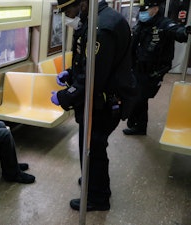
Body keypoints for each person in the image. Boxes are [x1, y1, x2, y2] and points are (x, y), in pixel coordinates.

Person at [52, 0, 133, 211]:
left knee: (93, 148)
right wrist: (70, 73)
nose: (68, 15)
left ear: (83, 4)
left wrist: (64, 97)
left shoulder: (101, 29)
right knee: (90, 146)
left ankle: (98, 198)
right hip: (100, 99)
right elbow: (88, 62)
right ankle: (92, 181)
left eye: (69, 10)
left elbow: (93, 78)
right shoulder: (95, 21)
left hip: (104, 103)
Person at [122, 0, 191, 135]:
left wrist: (186, 31)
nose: (143, 13)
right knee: (137, 95)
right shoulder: (142, 24)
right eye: (142, 10)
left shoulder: (164, 24)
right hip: (138, 67)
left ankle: (136, 124)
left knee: (141, 97)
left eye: (146, 10)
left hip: (153, 70)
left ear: (156, 9)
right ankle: (138, 124)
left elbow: (177, 31)